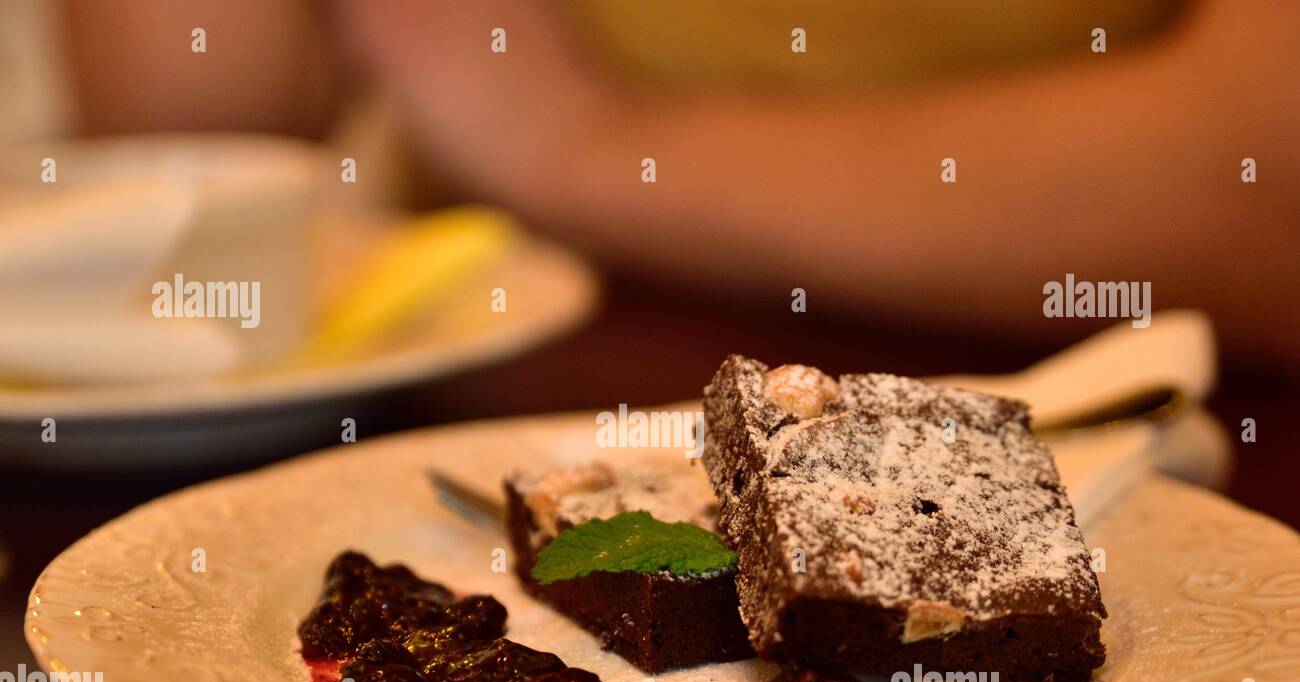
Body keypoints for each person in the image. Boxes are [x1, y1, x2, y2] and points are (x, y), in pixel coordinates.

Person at [32, 0, 1300, 365]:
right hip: (458, 429)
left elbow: (1266, 180)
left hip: (1105, 425)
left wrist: (577, 146)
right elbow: (186, 133)